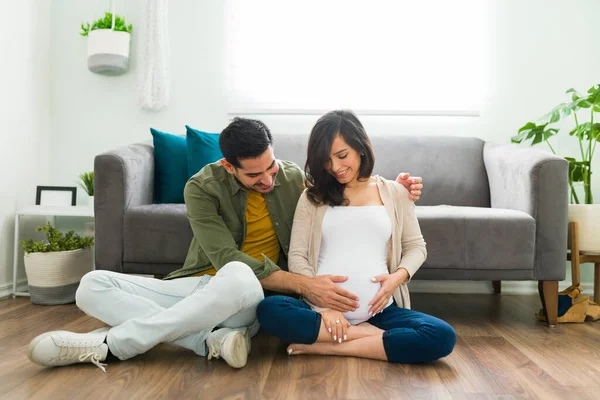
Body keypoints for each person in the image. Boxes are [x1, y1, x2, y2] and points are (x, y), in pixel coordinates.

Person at [26, 117, 424, 372]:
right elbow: (222, 257)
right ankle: (205, 340)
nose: (268, 179)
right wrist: (305, 285)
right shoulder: (200, 188)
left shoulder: (292, 180)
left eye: (271, 166)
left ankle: (112, 346)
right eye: (254, 175)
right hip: (200, 284)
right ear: (228, 167)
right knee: (90, 284)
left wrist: (399, 188)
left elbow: (345, 193)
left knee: (239, 276)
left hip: (249, 296)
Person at [257, 110, 455, 363]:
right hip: (319, 312)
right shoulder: (312, 197)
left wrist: (396, 279)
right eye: (326, 161)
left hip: (380, 311)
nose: (335, 168)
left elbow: (416, 247)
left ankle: (331, 346)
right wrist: (324, 307)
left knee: (441, 336)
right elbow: (297, 256)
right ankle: (369, 339)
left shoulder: (396, 193)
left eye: (342, 156)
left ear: (361, 148)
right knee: (270, 310)